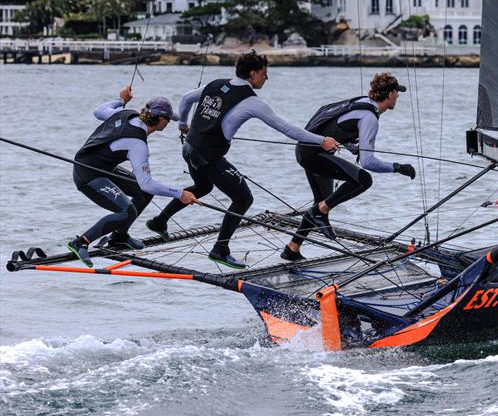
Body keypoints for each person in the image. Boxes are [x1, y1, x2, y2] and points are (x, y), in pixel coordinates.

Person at [145, 50, 339, 269]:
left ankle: (159, 221)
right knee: (243, 199)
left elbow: (187, 98)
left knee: (203, 186)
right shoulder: (252, 102)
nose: (267, 78)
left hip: (189, 148)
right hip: (208, 155)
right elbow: (287, 129)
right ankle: (220, 249)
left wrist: (182, 125)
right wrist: (322, 141)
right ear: (253, 73)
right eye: (265, 74)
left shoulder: (215, 84)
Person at [281, 72, 416, 261]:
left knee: (321, 203)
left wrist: (350, 145)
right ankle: (318, 213)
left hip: (307, 150)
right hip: (314, 154)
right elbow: (368, 163)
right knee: (363, 180)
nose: (398, 96)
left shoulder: (362, 103)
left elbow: (336, 127)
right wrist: (398, 167)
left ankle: (292, 249)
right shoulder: (370, 118)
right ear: (390, 94)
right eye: (396, 92)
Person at [67, 86, 197, 267]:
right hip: (88, 174)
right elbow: (147, 183)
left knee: (142, 193)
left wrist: (121, 101)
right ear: (160, 120)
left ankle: (119, 237)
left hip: (103, 168)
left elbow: (99, 111)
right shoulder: (138, 144)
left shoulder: (126, 113)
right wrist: (180, 194)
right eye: (168, 120)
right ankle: (81, 242)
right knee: (126, 212)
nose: (168, 124)